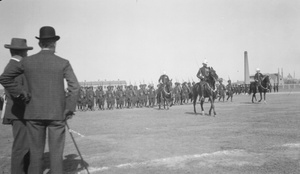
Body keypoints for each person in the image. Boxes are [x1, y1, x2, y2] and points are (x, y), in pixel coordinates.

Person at [0, 26, 80, 174]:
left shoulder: (27, 61)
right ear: (54, 43)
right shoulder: (63, 62)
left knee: (36, 155)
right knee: (56, 156)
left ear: (39, 43)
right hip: (56, 115)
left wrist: (21, 93)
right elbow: (75, 87)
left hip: (33, 114)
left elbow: (4, 77)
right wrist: (68, 109)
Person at [1, 38, 33, 174]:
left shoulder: (15, 65)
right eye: (25, 51)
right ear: (23, 52)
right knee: (21, 147)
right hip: (19, 112)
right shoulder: (15, 65)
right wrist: (23, 95)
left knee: (25, 145)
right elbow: (8, 82)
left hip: (20, 112)